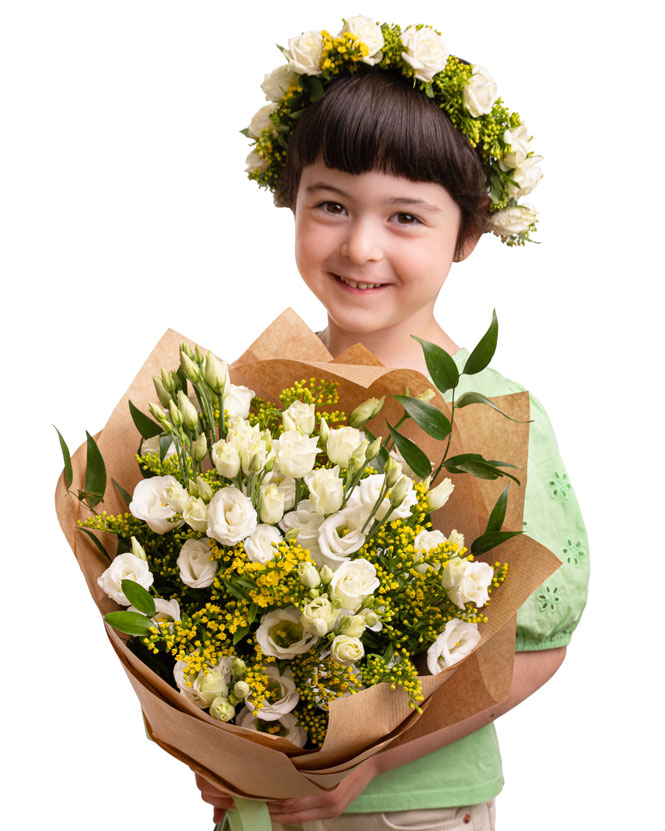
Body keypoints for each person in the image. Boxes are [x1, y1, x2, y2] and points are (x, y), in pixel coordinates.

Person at [196, 16, 588, 830]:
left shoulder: (485, 413)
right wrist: (220, 739)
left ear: (468, 234)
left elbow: (538, 643)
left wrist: (365, 759)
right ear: (291, 201)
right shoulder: (256, 399)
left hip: (412, 813)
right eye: (330, 204)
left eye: (405, 217)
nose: (361, 246)